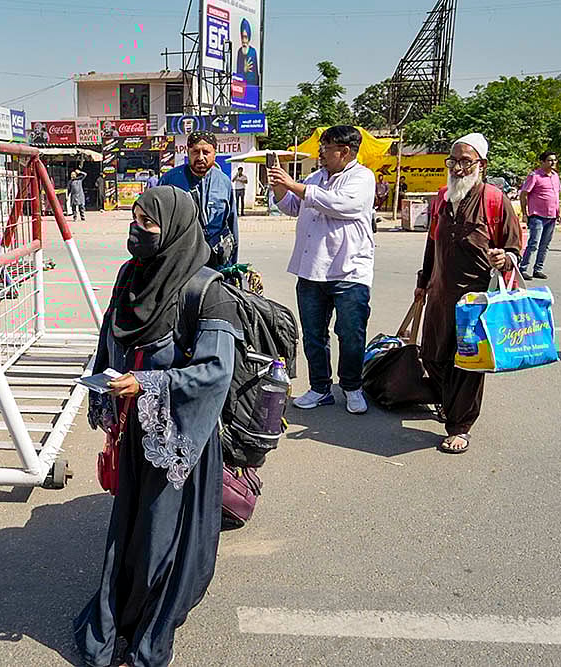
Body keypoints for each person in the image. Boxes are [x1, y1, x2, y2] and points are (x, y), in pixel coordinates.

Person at [74, 186, 241, 667]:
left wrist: (145, 383)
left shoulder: (206, 291)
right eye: (134, 218)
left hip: (177, 440)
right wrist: (108, 381)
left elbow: (214, 372)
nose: (136, 230)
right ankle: (123, 616)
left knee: (159, 539)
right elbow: (112, 333)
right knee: (131, 531)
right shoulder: (132, 276)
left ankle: (150, 636)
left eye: (148, 223)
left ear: (173, 230)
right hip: (134, 430)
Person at [415, 133, 521, 454]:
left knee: (468, 363)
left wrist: (506, 257)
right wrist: (423, 282)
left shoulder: (494, 199)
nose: (458, 168)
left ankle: (460, 426)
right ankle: (450, 404)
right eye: (454, 161)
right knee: (432, 354)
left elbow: (514, 245)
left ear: (481, 165)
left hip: (476, 299)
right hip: (440, 294)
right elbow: (432, 243)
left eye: (466, 162)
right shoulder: (442, 198)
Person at [268, 125, 375, 415]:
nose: (321, 154)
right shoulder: (315, 178)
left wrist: (294, 185)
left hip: (348, 271)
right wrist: (280, 184)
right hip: (311, 269)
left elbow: (340, 204)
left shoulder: (362, 178)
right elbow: (292, 206)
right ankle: (320, 387)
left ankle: (352, 387)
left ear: (345, 151)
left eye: (326, 148)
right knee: (314, 334)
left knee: (351, 333)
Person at [160, 131, 239, 269]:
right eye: (196, 152)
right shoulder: (170, 180)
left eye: (206, 152)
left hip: (216, 262)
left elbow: (232, 224)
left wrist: (231, 267)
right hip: (179, 262)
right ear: (188, 152)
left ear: (215, 152)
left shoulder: (224, 182)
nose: (200, 157)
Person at [519, 151, 561, 280]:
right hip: (537, 215)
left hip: (552, 216)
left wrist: (558, 212)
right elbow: (523, 194)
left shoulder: (555, 176)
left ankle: (538, 269)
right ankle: (523, 268)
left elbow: (556, 195)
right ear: (542, 162)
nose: (553, 162)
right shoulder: (535, 176)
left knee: (545, 244)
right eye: (549, 160)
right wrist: (525, 213)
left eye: (554, 160)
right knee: (534, 243)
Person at [235, 18, 259, 86]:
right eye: (242, 37)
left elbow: (255, 72)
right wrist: (244, 70)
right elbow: (238, 73)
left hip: (252, 86)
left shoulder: (253, 52)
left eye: (245, 37)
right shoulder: (240, 51)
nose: (244, 40)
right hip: (241, 87)